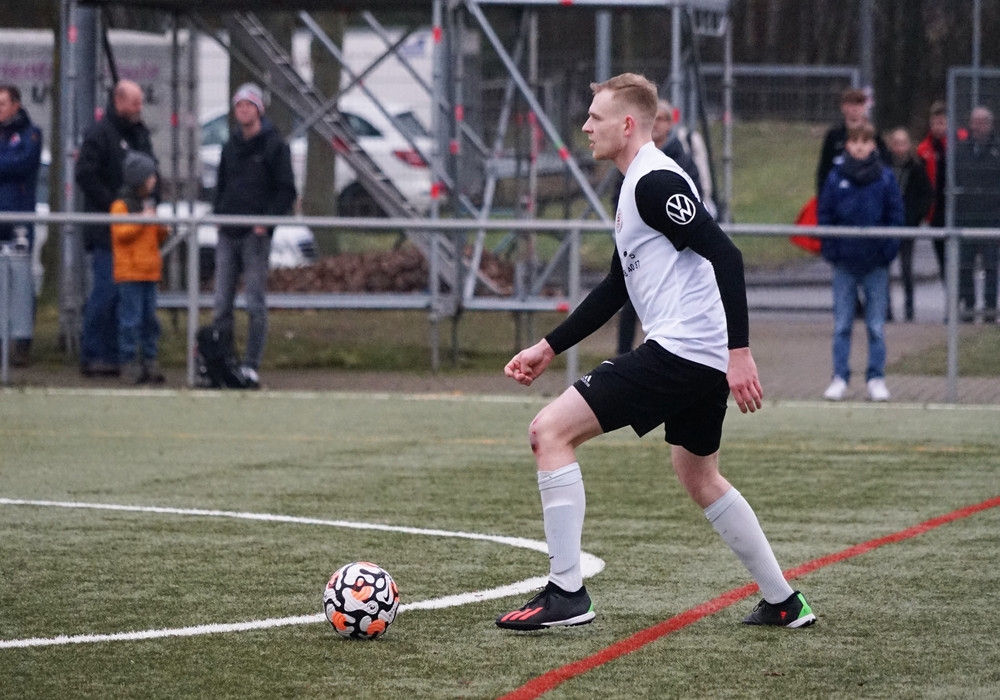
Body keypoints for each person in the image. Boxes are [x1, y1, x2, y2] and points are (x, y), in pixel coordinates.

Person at [495, 73, 815, 631]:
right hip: (698, 357)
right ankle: (784, 601)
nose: (585, 127)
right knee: (699, 475)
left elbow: (728, 255)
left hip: (683, 353)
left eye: (595, 117)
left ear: (626, 125)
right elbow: (616, 286)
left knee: (549, 432)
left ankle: (566, 593)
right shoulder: (634, 184)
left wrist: (740, 353)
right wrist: (549, 346)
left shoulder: (653, 182)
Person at [211, 83, 296, 389]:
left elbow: (286, 190)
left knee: (255, 303)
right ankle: (223, 362)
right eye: (239, 105)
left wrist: (266, 221)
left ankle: (251, 365)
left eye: (248, 105)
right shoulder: (230, 146)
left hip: (254, 236)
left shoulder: (275, 146)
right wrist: (219, 214)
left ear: (259, 109)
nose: (243, 110)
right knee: (221, 303)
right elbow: (221, 184)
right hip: (228, 232)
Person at [75, 79, 158, 377]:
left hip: (138, 232)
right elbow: (85, 174)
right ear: (119, 101)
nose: (139, 108)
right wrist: (114, 206)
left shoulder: (139, 134)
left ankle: (117, 354)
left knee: (129, 300)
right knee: (106, 292)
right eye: (135, 103)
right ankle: (94, 353)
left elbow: (152, 169)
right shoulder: (99, 134)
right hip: (106, 231)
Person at [818, 121, 903, 402]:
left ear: (873, 145)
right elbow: (825, 215)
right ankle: (839, 378)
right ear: (848, 145)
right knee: (842, 325)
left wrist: (886, 252)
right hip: (844, 263)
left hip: (876, 265)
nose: (859, 147)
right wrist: (832, 251)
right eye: (855, 142)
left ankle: (876, 378)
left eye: (865, 142)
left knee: (875, 326)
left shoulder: (886, 178)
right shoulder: (835, 178)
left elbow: (895, 216)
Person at [616, 99, 702, 355]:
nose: (656, 124)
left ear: (670, 124)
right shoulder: (630, 162)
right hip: (638, 245)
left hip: (669, 248)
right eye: (652, 119)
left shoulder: (680, 160)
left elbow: (693, 200)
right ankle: (625, 354)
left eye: (661, 119)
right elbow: (619, 198)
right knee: (627, 299)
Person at [110, 151, 168, 385]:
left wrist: (160, 227)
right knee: (130, 320)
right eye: (150, 176)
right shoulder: (121, 205)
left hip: (149, 272)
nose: (154, 180)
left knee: (150, 320)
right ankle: (128, 361)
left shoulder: (148, 205)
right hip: (130, 273)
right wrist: (142, 220)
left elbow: (156, 236)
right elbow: (121, 233)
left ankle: (149, 360)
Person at [0, 84, 43, 366]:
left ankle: (21, 341)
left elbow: (23, 163)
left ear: (16, 105)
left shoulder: (31, 133)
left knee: (21, 278)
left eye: (2, 104)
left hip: (18, 219)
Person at [953, 106, 1000, 323]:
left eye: (982, 122)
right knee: (965, 264)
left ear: (990, 124)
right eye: (975, 122)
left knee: (990, 265)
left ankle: (990, 307)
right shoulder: (961, 150)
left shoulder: (997, 150)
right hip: (966, 217)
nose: (978, 127)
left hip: (992, 217)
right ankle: (969, 305)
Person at [886, 127, 933, 321]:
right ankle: (886, 308)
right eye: (896, 143)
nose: (899, 148)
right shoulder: (884, 166)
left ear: (908, 145)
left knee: (906, 268)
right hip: (887, 225)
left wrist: (915, 217)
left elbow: (927, 194)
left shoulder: (916, 167)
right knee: (884, 269)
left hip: (907, 225)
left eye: (903, 143)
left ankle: (909, 308)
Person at [916, 100, 949, 280]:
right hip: (936, 210)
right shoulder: (923, 150)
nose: (938, 127)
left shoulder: (959, 143)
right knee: (941, 255)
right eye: (935, 123)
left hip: (955, 208)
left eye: (942, 122)